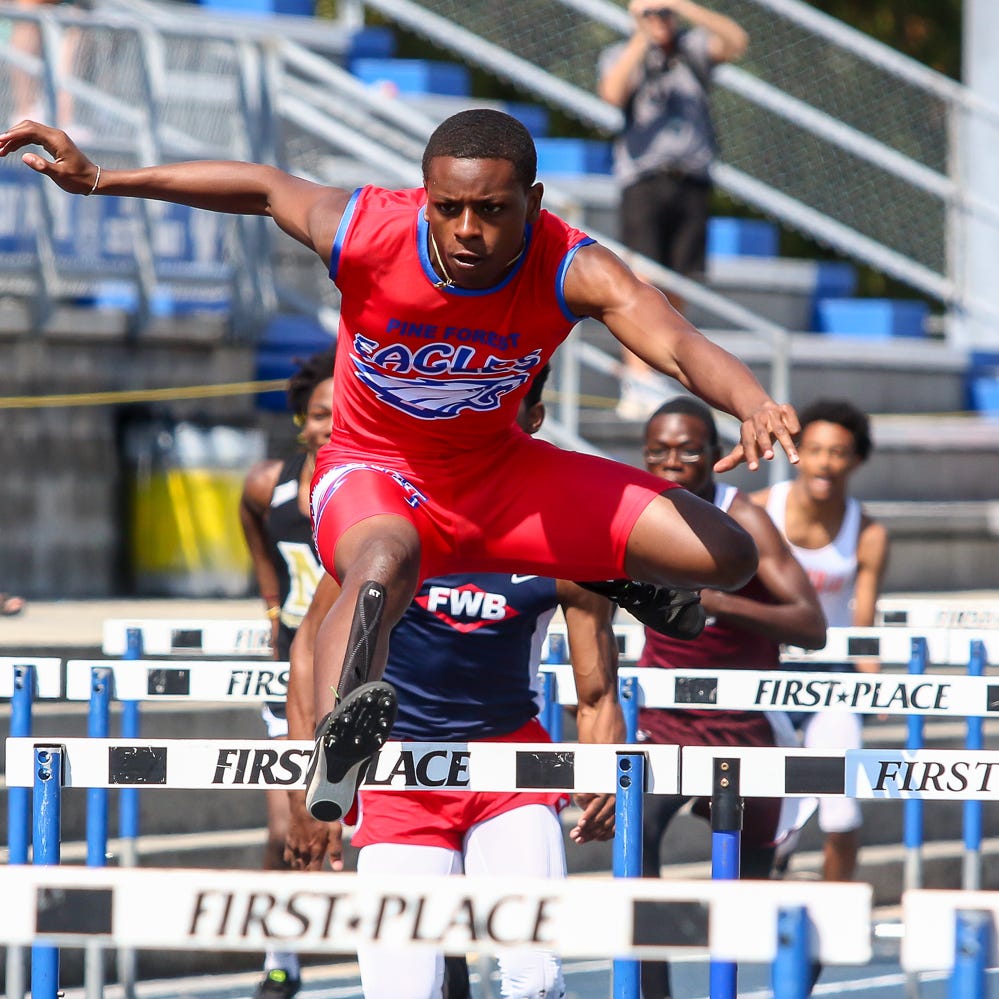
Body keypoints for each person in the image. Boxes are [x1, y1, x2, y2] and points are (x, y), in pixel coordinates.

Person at [0, 109, 801, 828]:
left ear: (534, 200)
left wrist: (751, 399)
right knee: (384, 560)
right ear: (423, 196)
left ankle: (618, 567)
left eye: (492, 210)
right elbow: (261, 185)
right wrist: (102, 177)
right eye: (446, 207)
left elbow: (673, 340)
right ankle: (345, 735)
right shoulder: (369, 229)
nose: (465, 230)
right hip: (375, 473)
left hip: (501, 478)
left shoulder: (571, 265)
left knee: (724, 555)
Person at [284, 367, 622, 999]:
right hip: (399, 775)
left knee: (537, 979)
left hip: (509, 772)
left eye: (502, 413)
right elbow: (308, 651)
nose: (481, 430)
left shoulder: (568, 548)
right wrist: (311, 785)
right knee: (401, 992)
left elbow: (597, 690)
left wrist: (602, 770)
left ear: (534, 420)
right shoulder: (387, 523)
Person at [632, 396, 826, 999]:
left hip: (741, 724)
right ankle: (654, 991)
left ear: (716, 459)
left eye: (687, 451)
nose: (670, 463)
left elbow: (811, 626)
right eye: (657, 452)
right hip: (662, 721)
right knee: (635, 839)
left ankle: (808, 938)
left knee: (749, 897)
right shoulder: (633, 509)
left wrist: (717, 602)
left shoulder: (745, 518)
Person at [752, 398, 889, 883]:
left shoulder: (868, 531)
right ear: (797, 453)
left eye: (838, 452)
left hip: (832, 679)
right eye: (815, 450)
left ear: (855, 460)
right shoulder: (764, 510)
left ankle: (836, 920)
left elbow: (862, 624)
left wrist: (875, 684)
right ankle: (771, 874)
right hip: (768, 672)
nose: (825, 463)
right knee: (767, 810)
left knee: (842, 810)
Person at [597, 0, 749, 420]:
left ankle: (666, 365)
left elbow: (736, 42)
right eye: (649, 11)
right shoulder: (621, 52)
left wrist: (685, 8)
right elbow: (611, 93)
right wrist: (641, 36)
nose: (658, 18)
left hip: (693, 180)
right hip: (644, 179)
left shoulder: (693, 49)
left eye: (663, 11)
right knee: (642, 279)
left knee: (681, 282)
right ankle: (637, 379)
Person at [237, 347, 334, 999]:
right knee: (282, 826)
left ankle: (436, 965)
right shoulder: (266, 484)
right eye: (321, 414)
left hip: (354, 678)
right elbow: (253, 529)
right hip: (286, 675)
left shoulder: (374, 486)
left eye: (345, 412)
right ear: (300, 419)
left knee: (365, 833)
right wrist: (273, 603)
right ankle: (281, 960)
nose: (331, 425)